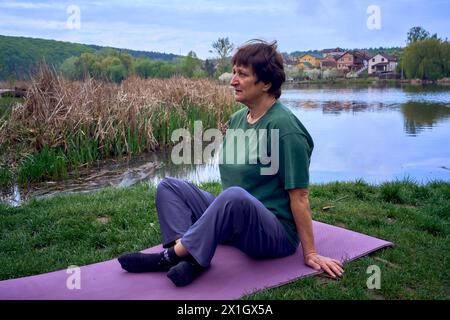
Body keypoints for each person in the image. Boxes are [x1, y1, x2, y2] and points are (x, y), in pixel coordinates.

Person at [118, 40, 344, 287]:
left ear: (267, 83)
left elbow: (299, 195)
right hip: (236, 223)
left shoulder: (285, 128)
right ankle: (192, 260)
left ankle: (169, 256)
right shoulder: (237, 120)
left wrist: (310, 253)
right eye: (234, 72)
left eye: (242, 74)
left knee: (234, 196)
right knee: (169, 186)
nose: (232, 80)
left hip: (274, 233)